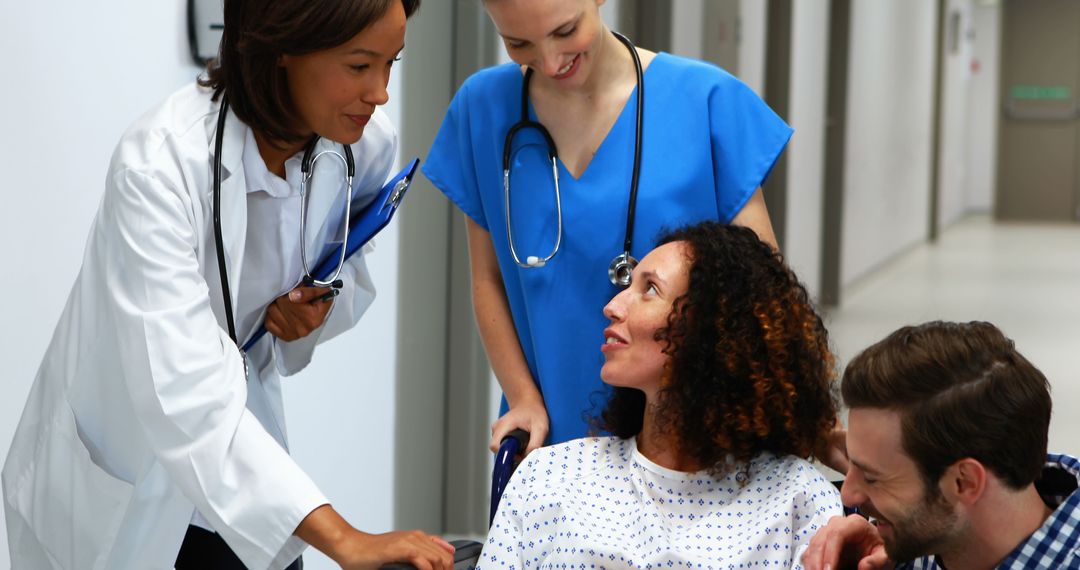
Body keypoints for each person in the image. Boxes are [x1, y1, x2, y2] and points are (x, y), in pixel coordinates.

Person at [1, 1, 455, 569]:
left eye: (392, 63)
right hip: (123, 472)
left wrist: (312, 311)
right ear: (284, 45)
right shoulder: (159, 166)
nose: (381, 93)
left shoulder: (363, 146)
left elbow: (349, 266)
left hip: (243, 453)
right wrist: (345, 538)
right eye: (360, 66)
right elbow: (184, 392)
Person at [422, 0, 790, 454]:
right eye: (518, 43)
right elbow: (488, 279)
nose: (551, 61)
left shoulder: (706, 101)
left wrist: (801, 416)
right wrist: (521, 397)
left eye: (565, 31)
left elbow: (764, 296)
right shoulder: (482, 109)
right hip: (547, 437)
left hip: (689, 441)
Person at [479, 222, 842, 568]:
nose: (613, 307)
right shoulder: (547, 477)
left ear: (715, 329)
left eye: (649, 289)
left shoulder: (798, 501)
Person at [801, 321, 1080, 570]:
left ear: (965, 481)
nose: (846, 496)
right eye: (852, 464)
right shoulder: (926, 536)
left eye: (873, 478)